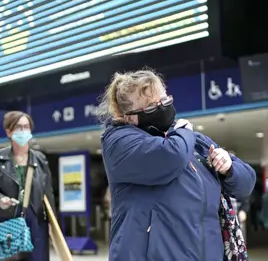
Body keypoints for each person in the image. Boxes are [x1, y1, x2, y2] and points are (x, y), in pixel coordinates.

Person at [98, 69, 256, 261]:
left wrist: (229, 167)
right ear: (128, 116)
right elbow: (171, 157)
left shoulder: (194, 141)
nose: (162, 108)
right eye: (151, 107)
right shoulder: (119, 142)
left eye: (164, 101)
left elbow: (246, 183)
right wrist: (184, 131)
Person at [0, 111, 55, 261]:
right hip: (7, 222)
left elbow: (48, 193)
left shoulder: (40, 159)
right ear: (8, 132)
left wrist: (52, 224)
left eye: (26, 127)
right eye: (18, 127)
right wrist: (0, 199)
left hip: (36, 223)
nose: (23, 131)